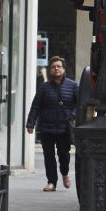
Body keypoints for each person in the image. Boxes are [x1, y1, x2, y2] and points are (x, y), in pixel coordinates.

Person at [27, 56, 79, 192]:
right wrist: (30, 123)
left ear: (63, 69)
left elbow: (80, 105)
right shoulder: (44, 87)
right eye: (53, 67)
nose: (56, 68)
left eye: (58, 66)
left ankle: (65, 173)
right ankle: (51, 182)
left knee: (64, 155)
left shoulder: (73, 86)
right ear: (50, 70)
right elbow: (35, 106)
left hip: (64, 128)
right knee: (48, 156)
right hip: (46, 128)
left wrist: (72, 115)